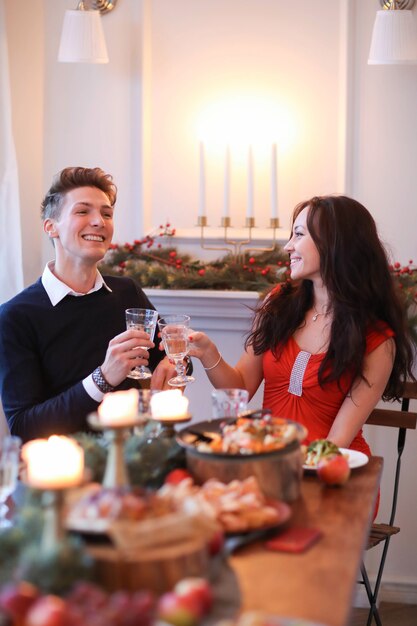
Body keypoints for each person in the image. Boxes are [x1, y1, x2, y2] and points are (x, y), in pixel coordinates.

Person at [188, 195, 415, 457]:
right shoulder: (279, 303)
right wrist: (208, 352)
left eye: (299, 235)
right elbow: (240, 390)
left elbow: (336, 442)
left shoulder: (377, 341)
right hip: (271, 459)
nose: (288, 247)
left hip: (329, 468)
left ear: (334, 243)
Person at [0, 166, 175, 442]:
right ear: (51, 227)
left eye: (106, 214)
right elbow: (24, 426)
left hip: (137, 455)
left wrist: (174, 362)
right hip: (61, 471)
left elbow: (171, 354)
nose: (99, 222)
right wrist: (103, 378)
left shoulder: (127, 292)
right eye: (83, 211)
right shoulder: (15, 316)